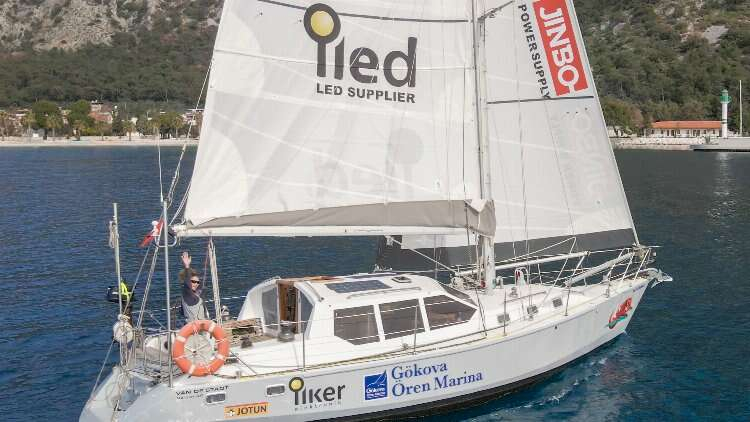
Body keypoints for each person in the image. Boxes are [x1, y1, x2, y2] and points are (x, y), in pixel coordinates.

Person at [179, 251, 209, 322]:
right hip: (193, 327)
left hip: (203, 325)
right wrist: (187, 266)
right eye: (193, 282)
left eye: (197, 282)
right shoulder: (187, 293)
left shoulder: (197, 294)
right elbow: (187, 284)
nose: (196, 284)